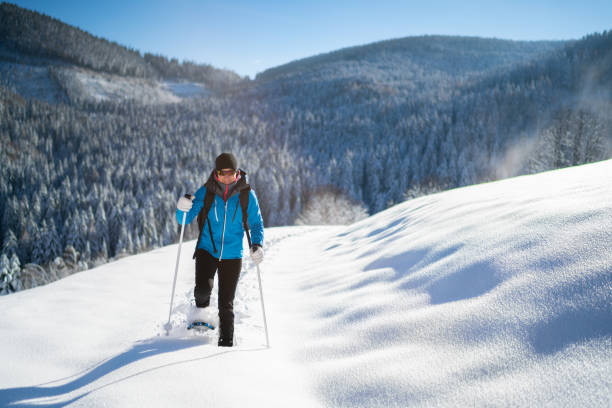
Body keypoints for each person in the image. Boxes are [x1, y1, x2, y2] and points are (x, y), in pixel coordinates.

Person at [176, 153, 264, 347]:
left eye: (230, 173)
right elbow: (183, 220)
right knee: (201, 291)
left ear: (237, 173)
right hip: (207, 249)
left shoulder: (246, 194)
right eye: (222, 173)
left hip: (232, 255)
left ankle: (226, 345)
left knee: (226, 304)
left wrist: (257, 244)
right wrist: (181, 208)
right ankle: (201, 317)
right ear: (216, 173)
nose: (226, 177)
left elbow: (256, 223)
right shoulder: (206, 192)